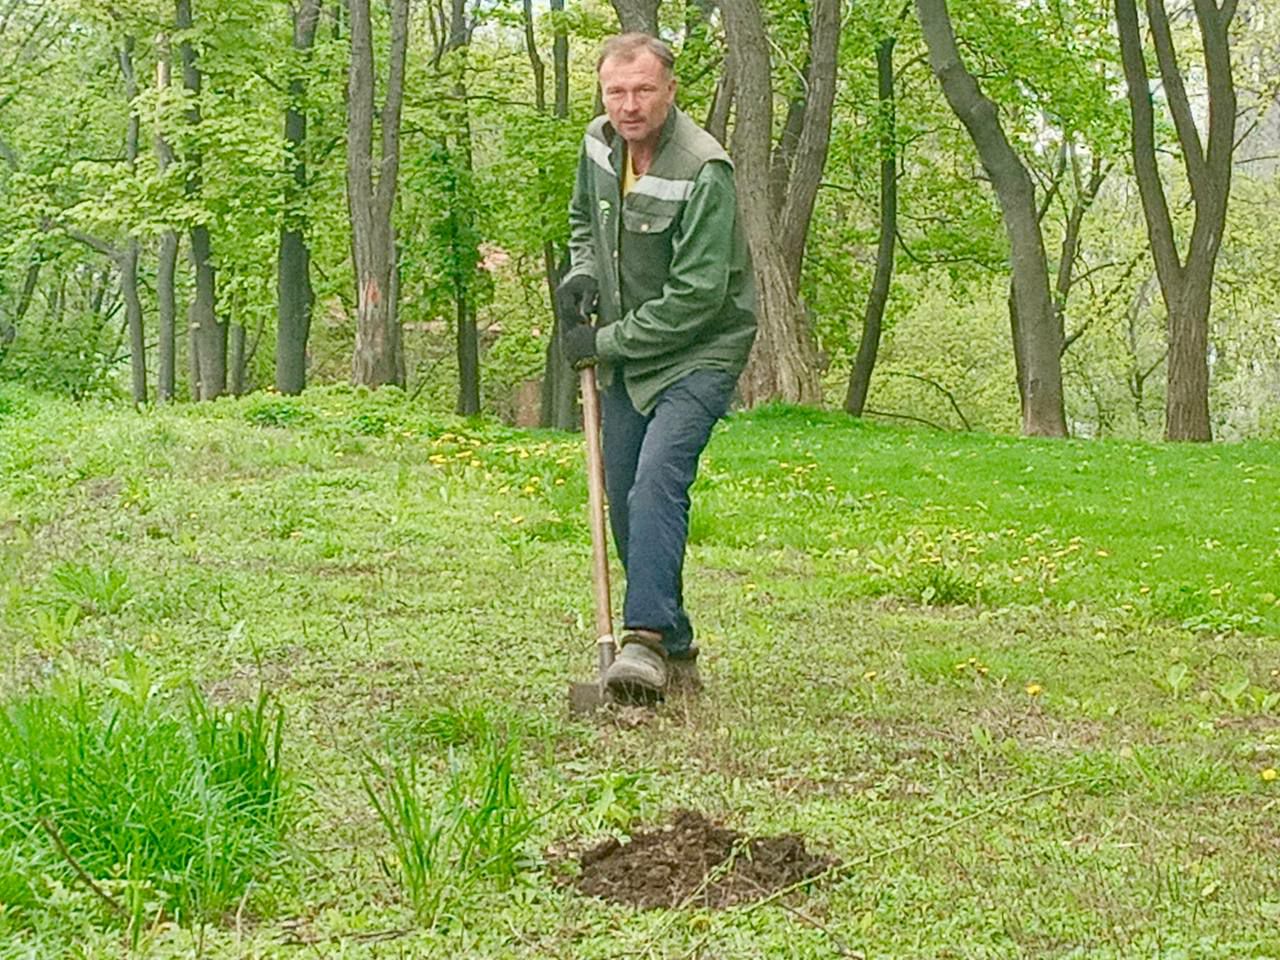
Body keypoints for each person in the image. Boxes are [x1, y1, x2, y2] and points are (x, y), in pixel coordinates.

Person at [555, 33, 757, 703]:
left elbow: (699, 299)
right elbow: (584, 219)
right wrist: (581, 274)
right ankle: (678, 651)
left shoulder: (705, 169)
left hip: (698, 353)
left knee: (655, 484)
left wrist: (605, 342)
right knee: (622, 503)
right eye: (617, 91)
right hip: (627, 355)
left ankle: (641, 642)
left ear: (670, 91)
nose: (629, 104)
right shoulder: (597, 144)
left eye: (643, 90)